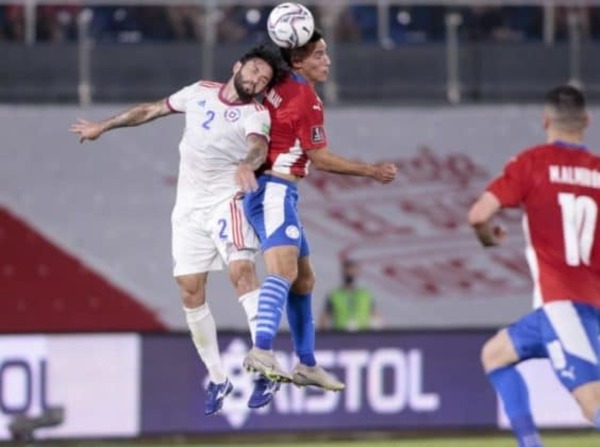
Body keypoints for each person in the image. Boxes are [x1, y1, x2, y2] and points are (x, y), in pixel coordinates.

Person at [69, 44, 288, 415]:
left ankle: (265, 362)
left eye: (264, 80)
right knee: (189, 291)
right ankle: (218, 379)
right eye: (253, 71)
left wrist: (249, 165)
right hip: (188, 210)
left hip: (226, 201)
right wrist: (102, 126)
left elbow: (257, 147)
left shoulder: (256, 114)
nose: (255, 80)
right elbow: (152, 109)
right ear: (237, 66)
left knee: (242, 272)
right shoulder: (200, 90)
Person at [241, 29, 398, 389]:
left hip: (273, 190)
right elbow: (320, 158)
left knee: (304, 278)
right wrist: (371, 171)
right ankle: (261, 348)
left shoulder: (277, 83)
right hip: (275, 189)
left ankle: (307, 364)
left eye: (326, 53)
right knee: (281, 272)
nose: (326, 60)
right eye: (318, 55)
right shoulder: (306, 98)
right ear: (297, 60)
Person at [468, 85, 600, 447]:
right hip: (572, 306)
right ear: (586, 122)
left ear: (545, 121)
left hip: (565, 304)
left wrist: (487, 237)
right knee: (494, 354)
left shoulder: (532, 163)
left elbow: (479, 214)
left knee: (591, 403)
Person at [318, 258, 381, 331]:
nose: (349, 273)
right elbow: (324, 318)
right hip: (340, 336)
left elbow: (376, 316)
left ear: (357, 272)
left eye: (352, 270)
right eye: (347, 270)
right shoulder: (334, 295)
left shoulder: (365, 295)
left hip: (363, 336)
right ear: (343, 272)